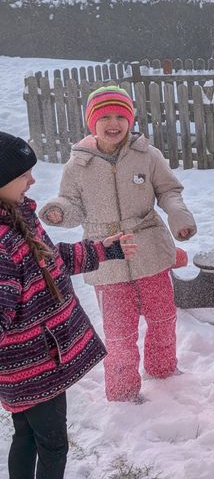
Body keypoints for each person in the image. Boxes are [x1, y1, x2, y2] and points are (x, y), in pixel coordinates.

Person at [1, 131, 136, 479]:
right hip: (34, 366)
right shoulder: (3, 242)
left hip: (24, 367)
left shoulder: (16, 220)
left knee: (25, 435)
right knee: (54, 444)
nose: (32, 181)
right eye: (23, 174)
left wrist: (101, 249)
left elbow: (48, 259)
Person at [39, 86, 196, 403]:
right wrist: (60, 211)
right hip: (105, 258)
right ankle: (124, 394)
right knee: (120, 333)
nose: (113, 123)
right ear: (91, 124)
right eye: (105, 117)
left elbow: (168, 190)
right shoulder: (78, 166)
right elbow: (72, 203)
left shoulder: (147, 155)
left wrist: (178, 214)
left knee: (163, 319)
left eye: (120, 116)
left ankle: (163, 374)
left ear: (131, 119)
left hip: (149, 250)